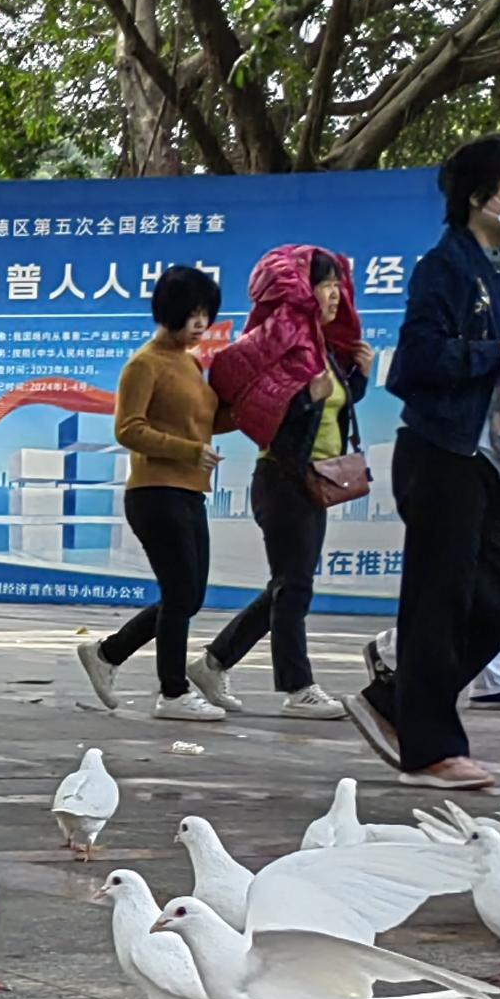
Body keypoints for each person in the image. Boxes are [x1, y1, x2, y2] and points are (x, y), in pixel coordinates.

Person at [358, 137, 500, 783]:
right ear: (479, 197)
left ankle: (396, 700)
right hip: (442, 448)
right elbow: (417, 361)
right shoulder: (444, 267)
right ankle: (429, 748)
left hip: (491, 458)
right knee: (438, 602)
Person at [192, 244, 366, 718]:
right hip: (283, 478)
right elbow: (264, 414)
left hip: (314, 480)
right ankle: (298, 688)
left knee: (286, 586)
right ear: (302, 290)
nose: (335, 294)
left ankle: (214, 662)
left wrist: (357, 375)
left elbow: (334, 408)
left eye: (337, 284)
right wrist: (308, 396)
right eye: (325, 284)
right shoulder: (284, 344)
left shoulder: (324, 349)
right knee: (294, 586)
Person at [77, 264, 227, 719]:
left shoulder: (191, 362)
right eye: (192, 313)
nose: (200, 323)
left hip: (188, 491)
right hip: (154, 492)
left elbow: (205, 422)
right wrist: (187, 450)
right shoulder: (144, 363)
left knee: (189, 595)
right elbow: (128, 428)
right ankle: (173, 693)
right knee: (181, 593)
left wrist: (265, 410)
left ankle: (107, 654)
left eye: (206, 313)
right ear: (168, 312)